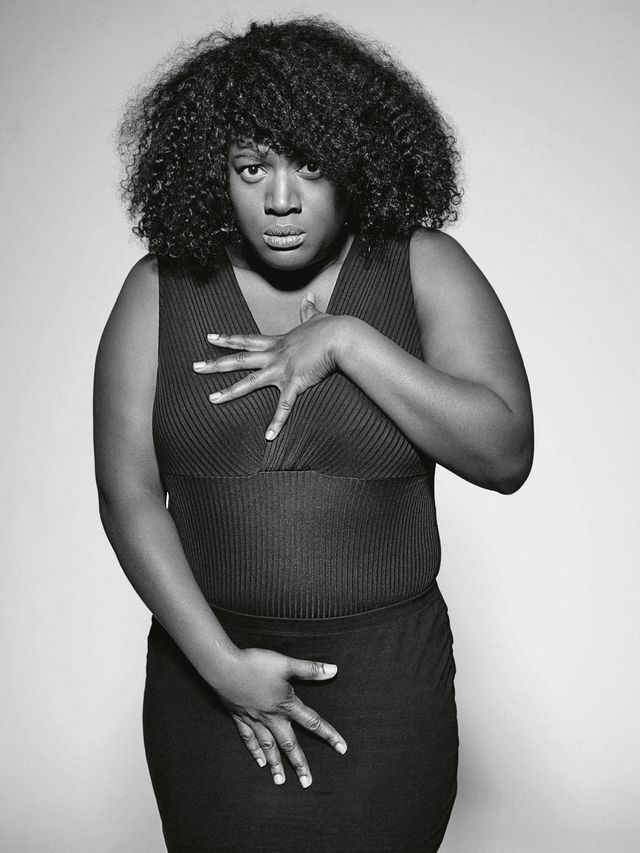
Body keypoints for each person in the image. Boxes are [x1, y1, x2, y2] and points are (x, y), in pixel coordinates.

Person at [94, 16, 533, 852]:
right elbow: (127, 495)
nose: (281, 200)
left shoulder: (422, 267)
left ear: (357, 162)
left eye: (310, 165)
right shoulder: (158, 289)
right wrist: (222, 667)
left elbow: (505, 452)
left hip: (388, 690)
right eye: (251, 168)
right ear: (212, 171)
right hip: (208, 676)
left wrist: (348, 341)